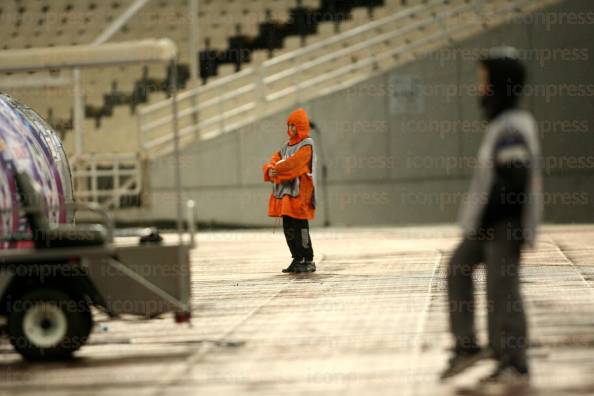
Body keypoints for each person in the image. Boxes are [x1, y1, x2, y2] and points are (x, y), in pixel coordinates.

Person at [440, 47, 543, 384]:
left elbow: (514, 179)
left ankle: (514, 360)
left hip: (504, 223)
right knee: (458, 268)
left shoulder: (512, 126)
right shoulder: (501, 124)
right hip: (490, 222)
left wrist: (488, 223)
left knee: (503, 287)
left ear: (500, 84)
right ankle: (467, 344)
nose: (479, 88)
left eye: (484, 81)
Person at [263, 108, 318, 273]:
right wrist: (270, 169)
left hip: (301, 193)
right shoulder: (286, 146)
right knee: (288, 227)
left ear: (301, 126)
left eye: (294, 125)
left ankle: (307, 259)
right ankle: (296, 258)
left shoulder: (307, 144)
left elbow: (296, 164)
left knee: (301, 226)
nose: (291, 129)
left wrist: (277, 169)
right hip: (286, 195)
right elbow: (274, 160)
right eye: (289, 125)